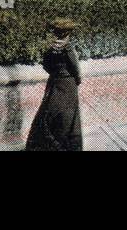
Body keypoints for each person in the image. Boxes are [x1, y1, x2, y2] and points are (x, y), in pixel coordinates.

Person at [25, 19, 83, 151]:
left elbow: (46, 65)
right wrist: (77, 79)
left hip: (54, 82)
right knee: (69, 115)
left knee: (49, 111)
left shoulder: (50, 49)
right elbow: (76, 68)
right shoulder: (69, 48)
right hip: (68, 84)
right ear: (67, 33)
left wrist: (55, 73)